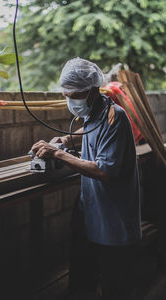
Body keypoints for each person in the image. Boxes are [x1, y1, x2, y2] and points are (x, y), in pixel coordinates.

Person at [31, 58, 142, 300]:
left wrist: (57, 153)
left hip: (114, 217)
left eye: (74, 95)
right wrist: (66, 140)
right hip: (90, 209)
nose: (70, 100)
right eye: (67, 94)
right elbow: (90, 130)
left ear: (92, 92)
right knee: (82, 280)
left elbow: (104, 171)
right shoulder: (95, 111)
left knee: (116, 287)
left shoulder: (116, 116)